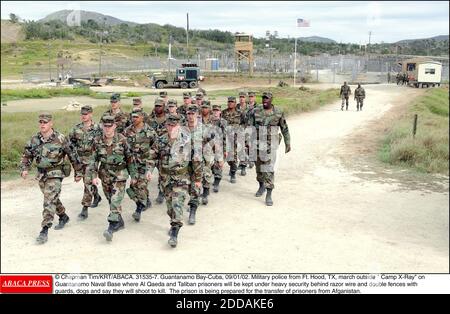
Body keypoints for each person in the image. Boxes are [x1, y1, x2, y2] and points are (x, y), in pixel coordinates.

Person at [20, 113, 82, 244]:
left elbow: (72, 155)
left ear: (51, 124)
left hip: (56, 173)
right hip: (41, 174)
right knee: (52, 198)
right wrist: (24, 168)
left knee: (48, 200)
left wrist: (78, 172)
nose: (42, 124)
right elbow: (27, 155)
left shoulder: (60, 138)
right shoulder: (34, 139)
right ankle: (63, 216)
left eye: (45, 122)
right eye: (41, 122)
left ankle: (44, 230)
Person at [148, 114, 199, 247]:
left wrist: (197, 179)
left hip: (181, 179)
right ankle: (173, 220)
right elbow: (152, 156)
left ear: (179, 126)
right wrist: (149, 170)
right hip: (165, 179)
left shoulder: (187, 140)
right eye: (169, 125)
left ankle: (175, 232)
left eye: (174, 125)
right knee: (170, 206)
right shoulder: (161, 140)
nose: (171, 128)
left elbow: (196, 160)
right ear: (166, 125)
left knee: (177, 204)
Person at [86, 116, 137, 242]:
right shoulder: (97, 141)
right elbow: (93, 160)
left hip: (120, 174)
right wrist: (93, 176)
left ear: (114, 126)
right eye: (105, 126)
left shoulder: (122, 140)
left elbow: (130, 159)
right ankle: (119, 221)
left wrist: (133, 176)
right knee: (111, 199)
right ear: (102, 126)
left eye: (110, 126)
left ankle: (111, 227)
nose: (107, 128)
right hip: (105, 174)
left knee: (115, 200)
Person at [247, 92, 291, 206]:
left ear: (272, 100)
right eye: (263, 99)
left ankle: (269, 193)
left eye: (267, 99)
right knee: (259, 168)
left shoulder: (278, 112)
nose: (264, 100)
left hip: (271, 145)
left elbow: (284, 128)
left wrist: (288, 142)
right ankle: (261, 186)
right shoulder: (256, 111)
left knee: (269, 168)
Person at [68, 105, 102, 220]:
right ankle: (96, 196)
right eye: (82, 114)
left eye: (86, 114)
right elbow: (70, 144)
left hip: (92, 160)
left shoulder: (98, 128)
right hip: (80, 160)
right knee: (87, 182)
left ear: (91, 114)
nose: (84, 116)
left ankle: (84, 209)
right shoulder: (76, 129)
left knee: (87, 182)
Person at [124, 108, 157, 221]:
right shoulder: (127, 131)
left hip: (145, 164)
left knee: (140, 186)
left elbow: (156, 147)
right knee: (132, 188)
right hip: (132, 165)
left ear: (142, 117)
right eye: (132, 116)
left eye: (136, 117)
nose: (133, 119)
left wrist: (152, 164)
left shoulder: (150, 131)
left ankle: (138, 209)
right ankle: (145, 201)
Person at [146, 98, 168, 204]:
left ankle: (161, 191)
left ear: (164, 107)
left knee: (162, 172)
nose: (158, 108)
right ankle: (145, 197)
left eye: (160, 106)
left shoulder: (169, 119)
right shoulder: (150, 119)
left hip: (164, 150)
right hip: (152, 149)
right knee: (147, 171)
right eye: (156, 106)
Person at [221, 96, 244, 183]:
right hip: (225, 138)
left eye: (232, 102)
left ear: (235, 103)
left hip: (235, 138)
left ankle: (233, 173)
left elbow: (244, 123)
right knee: (226, 156)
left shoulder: (240, 113)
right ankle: (231, 166)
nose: (230, 103)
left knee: (233, 156)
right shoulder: (223, 113)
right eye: (229, 102)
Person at [210, 104, 228, 193]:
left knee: (218, 165)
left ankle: (216, 182)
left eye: (217, 110)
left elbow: (226, 137)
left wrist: (225, 150)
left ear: (220, 112)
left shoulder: (223, 122)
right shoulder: (208, 121)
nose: (216, 112)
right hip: (209, 147)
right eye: (214, 110)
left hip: (219, 147)